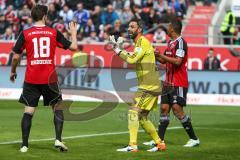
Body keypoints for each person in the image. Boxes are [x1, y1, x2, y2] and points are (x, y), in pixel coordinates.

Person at [9, 4, 77, 153]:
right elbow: (74, 47)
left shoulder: (25, 33)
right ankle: (58, 139)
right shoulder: (53, 32)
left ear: (32, 16)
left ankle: (24, 145)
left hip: (31, 79)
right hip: (49, 79)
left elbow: (15, 56)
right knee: (58, 108)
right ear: (45, 16)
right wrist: (73, 32)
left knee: (28, 112)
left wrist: (13, 71)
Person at [109, 18, 165, 152]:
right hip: (151, 84)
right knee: (142, 117)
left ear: (139, 29)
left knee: (133, 112)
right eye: (129, 26)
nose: (129, 29)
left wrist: (117, 50)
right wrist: (118, 49)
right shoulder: (139, 43)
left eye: (132, 27)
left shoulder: (142, 41)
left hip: (148, 85)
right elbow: (133, 55)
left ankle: (132, 145)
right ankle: (159, 143)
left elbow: (131, 59)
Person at [144, 20, 200, 149]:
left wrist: (162, 56)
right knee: (164, 109)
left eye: (168, 27)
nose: (166, 29)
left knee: (177, 110)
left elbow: (178, 62)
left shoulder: (181, 43)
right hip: (168, 83)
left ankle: (194, 139)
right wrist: (155, 54)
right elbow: (164, 61)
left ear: (173, 29)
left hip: (178, 82)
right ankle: (158, 140)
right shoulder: (170, 43)